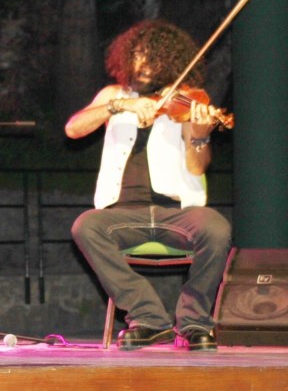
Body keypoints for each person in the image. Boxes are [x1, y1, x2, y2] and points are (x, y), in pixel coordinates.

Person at [66, 19, 232, 352]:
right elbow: (74, 129)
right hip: (122, 214)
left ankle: (195, 322)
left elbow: (197, 166)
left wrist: (199, 135)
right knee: (86, 226)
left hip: (176, 213)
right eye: (138, 56)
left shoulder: (186, 100)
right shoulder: (113, 95)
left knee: (216, 227)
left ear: (168, 62)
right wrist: (121, 106)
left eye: (152, 58)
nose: (143, 65)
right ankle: (149, 318)